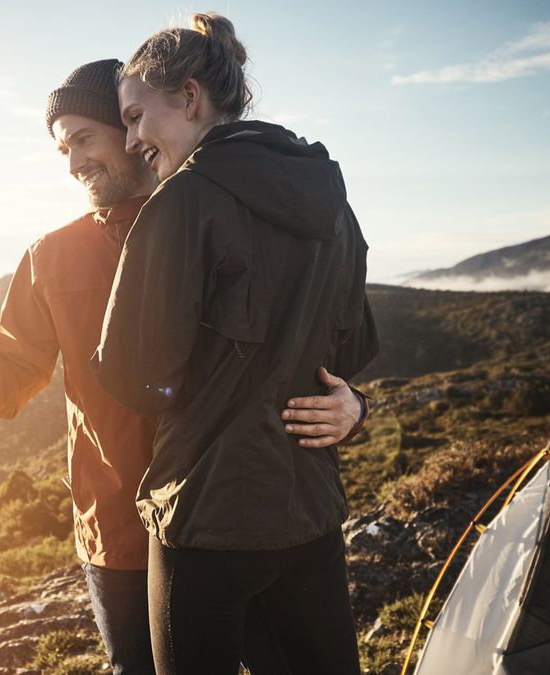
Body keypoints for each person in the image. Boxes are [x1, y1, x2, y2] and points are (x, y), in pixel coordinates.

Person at [0, 59, 370, 675]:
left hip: (249, 516)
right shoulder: (51, 258)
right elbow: (7, 385)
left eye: (84, 139)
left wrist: (353, 403)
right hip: (122, 538)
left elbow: (313, 343)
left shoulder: (230, 216)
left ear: (132, 130)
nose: (73, 163)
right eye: (62, 148)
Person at [91, 13, 377, 675]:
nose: (132, 140)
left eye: (136, 117)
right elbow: (354, 344)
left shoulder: (181, 202)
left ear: (189, 97)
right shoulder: (331, 197)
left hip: (205, 521)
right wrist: (353, 406)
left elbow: (136, 378)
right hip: (308, 515)